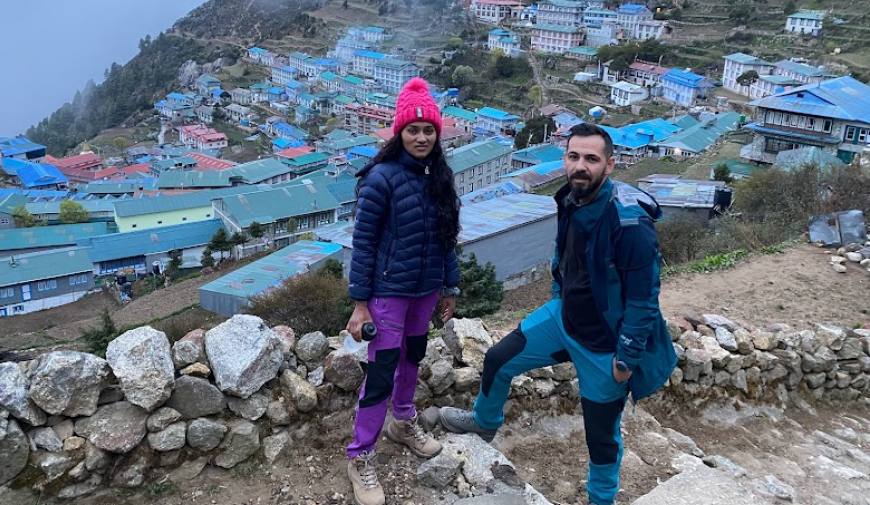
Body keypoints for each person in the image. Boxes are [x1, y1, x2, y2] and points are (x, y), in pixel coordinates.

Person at [439, 123, 677, 505]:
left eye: (591, 159)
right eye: (573, 156)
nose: (580, 166)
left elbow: (644, 298)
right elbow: (563, 255)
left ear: (610, 165)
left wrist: (625, 360)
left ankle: (601, 499)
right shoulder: (570, 198)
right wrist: (556, 296)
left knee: (600, 436)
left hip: (605, 345)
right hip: (563, 319)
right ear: (564, 159)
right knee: (499, 359)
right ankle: (484, 423)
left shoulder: (630, 222)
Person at [345, 77, 462, 505]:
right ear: (399, 132)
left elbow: (448, 237)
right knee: (382, 371)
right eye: (413, 129)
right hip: (388, 293)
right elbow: (364, 244)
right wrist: (360, 305)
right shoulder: (382, 179)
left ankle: (403, 422)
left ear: (437, 132)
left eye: (428, 129)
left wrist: (449, 287)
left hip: (426, 291)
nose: (421, 136)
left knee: (413, 357)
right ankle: (359, 456)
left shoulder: (441, 177)